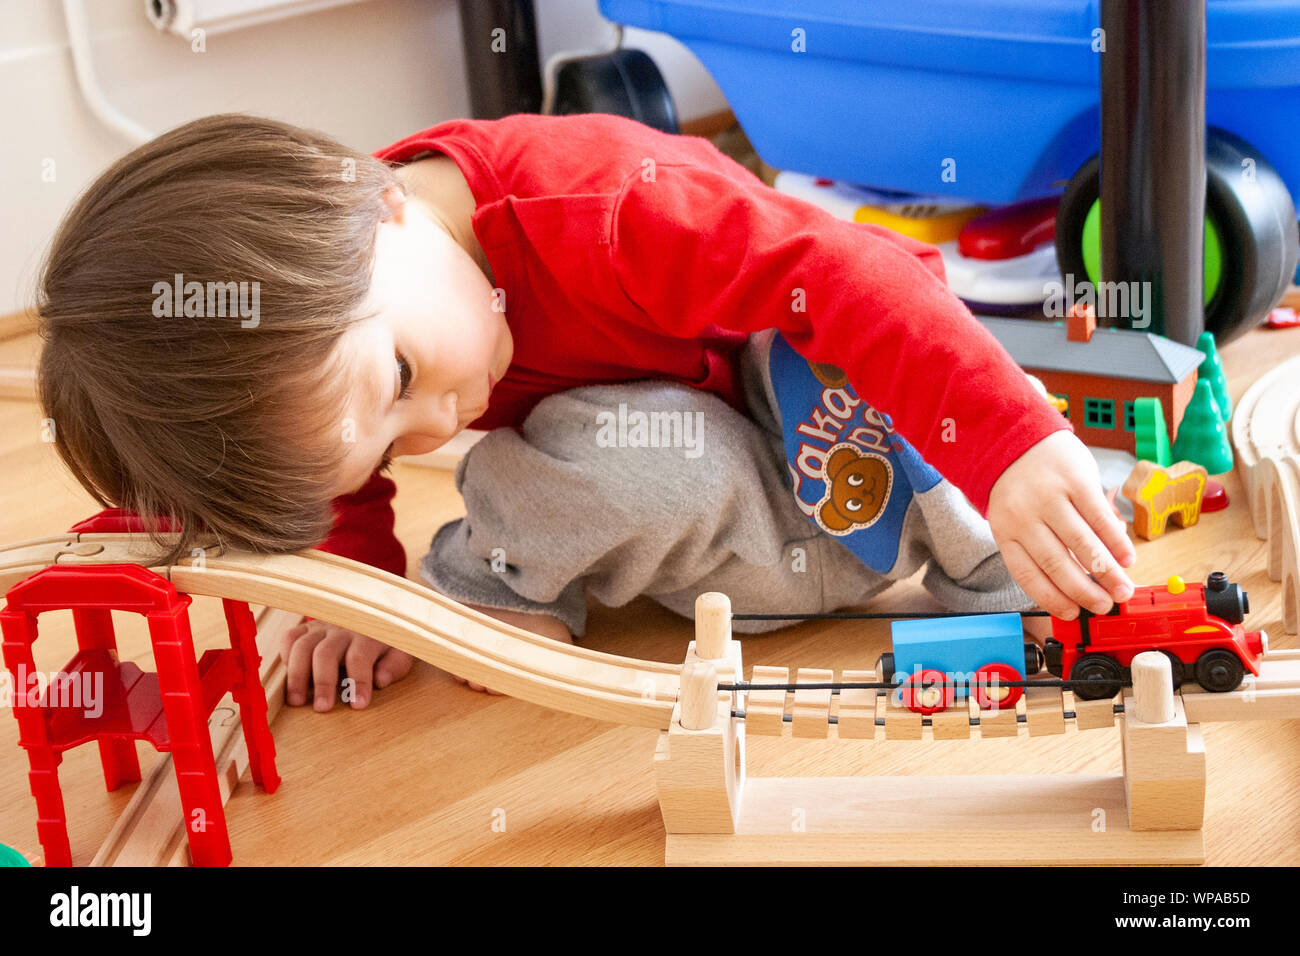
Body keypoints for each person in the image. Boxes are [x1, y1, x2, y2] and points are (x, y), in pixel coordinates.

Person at [34, 112, 1135, 710]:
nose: (429, 434)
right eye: (372, 450)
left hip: (796, 376)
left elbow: (845, 276)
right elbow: (344, 452)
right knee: (616, 462)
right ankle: (498, 571)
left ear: (376, 199)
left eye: (406, 380)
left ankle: (1007, 540)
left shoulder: (606, 205)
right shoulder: (352, 314)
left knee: (931, 399)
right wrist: (360, 578)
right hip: (686, 466)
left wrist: (1013, 443)